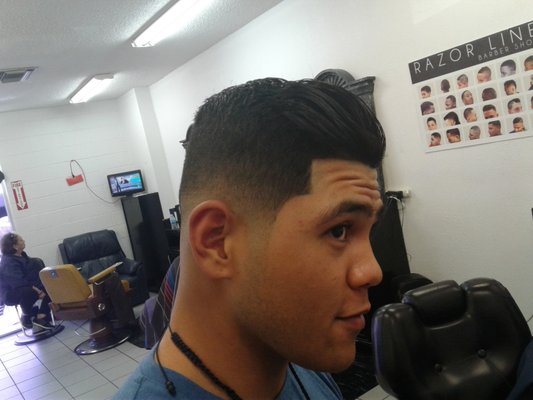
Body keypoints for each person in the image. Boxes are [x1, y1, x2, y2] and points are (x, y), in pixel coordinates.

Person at [114, 78, 385, 399]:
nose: (372, 271)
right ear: (217, 242)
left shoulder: (295, 356)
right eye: (338, 231)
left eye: (368, 231)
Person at [0, 233, 52, 332]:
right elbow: (17, 282)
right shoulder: (8, 261)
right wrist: (38, 290)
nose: (24, 241)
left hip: (27, 287)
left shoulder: (23, 256)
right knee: (29, 291)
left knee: (52, 287)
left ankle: (41, 315)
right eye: (21, 240)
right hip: (11, 293)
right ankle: (27, 315)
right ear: (15, 246)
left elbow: (30, 276)